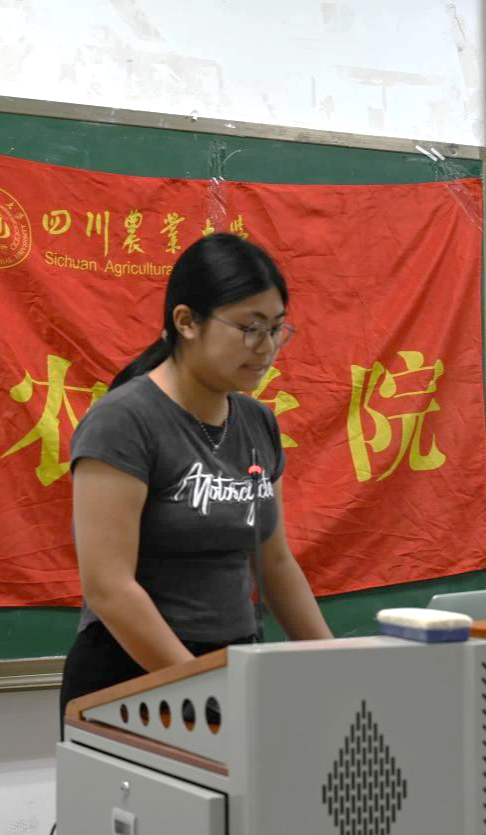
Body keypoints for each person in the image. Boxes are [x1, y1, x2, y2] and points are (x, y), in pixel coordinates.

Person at [59, 233, 333, 726]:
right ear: (186, 322)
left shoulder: (257, 422)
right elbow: (109, 588)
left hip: (232, 667)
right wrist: (203, 689)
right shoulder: (124, 421)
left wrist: (335, 667)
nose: (267, 347)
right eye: (249, 328)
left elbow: (274, 562)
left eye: (276, 328)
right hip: (135, 679)